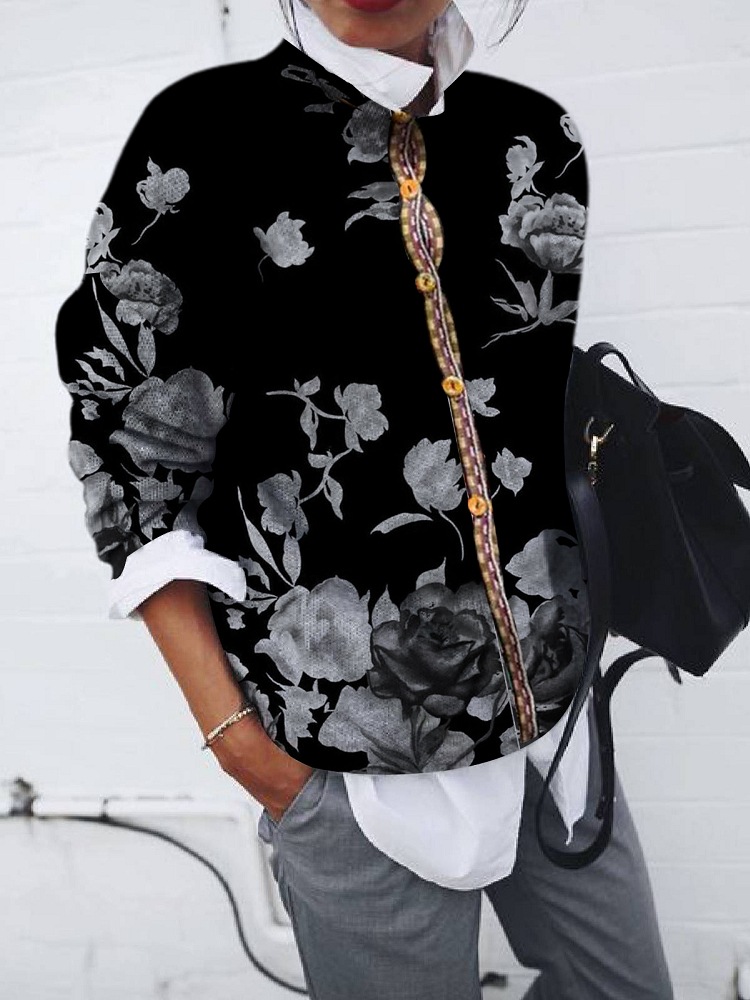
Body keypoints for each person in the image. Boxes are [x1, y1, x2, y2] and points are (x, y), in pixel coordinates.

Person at [54, 1, 675, 996]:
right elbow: (126, 465)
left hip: (554, 725)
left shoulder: (532, 138)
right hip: (344, 768)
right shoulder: (202, 138)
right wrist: (243, 747)